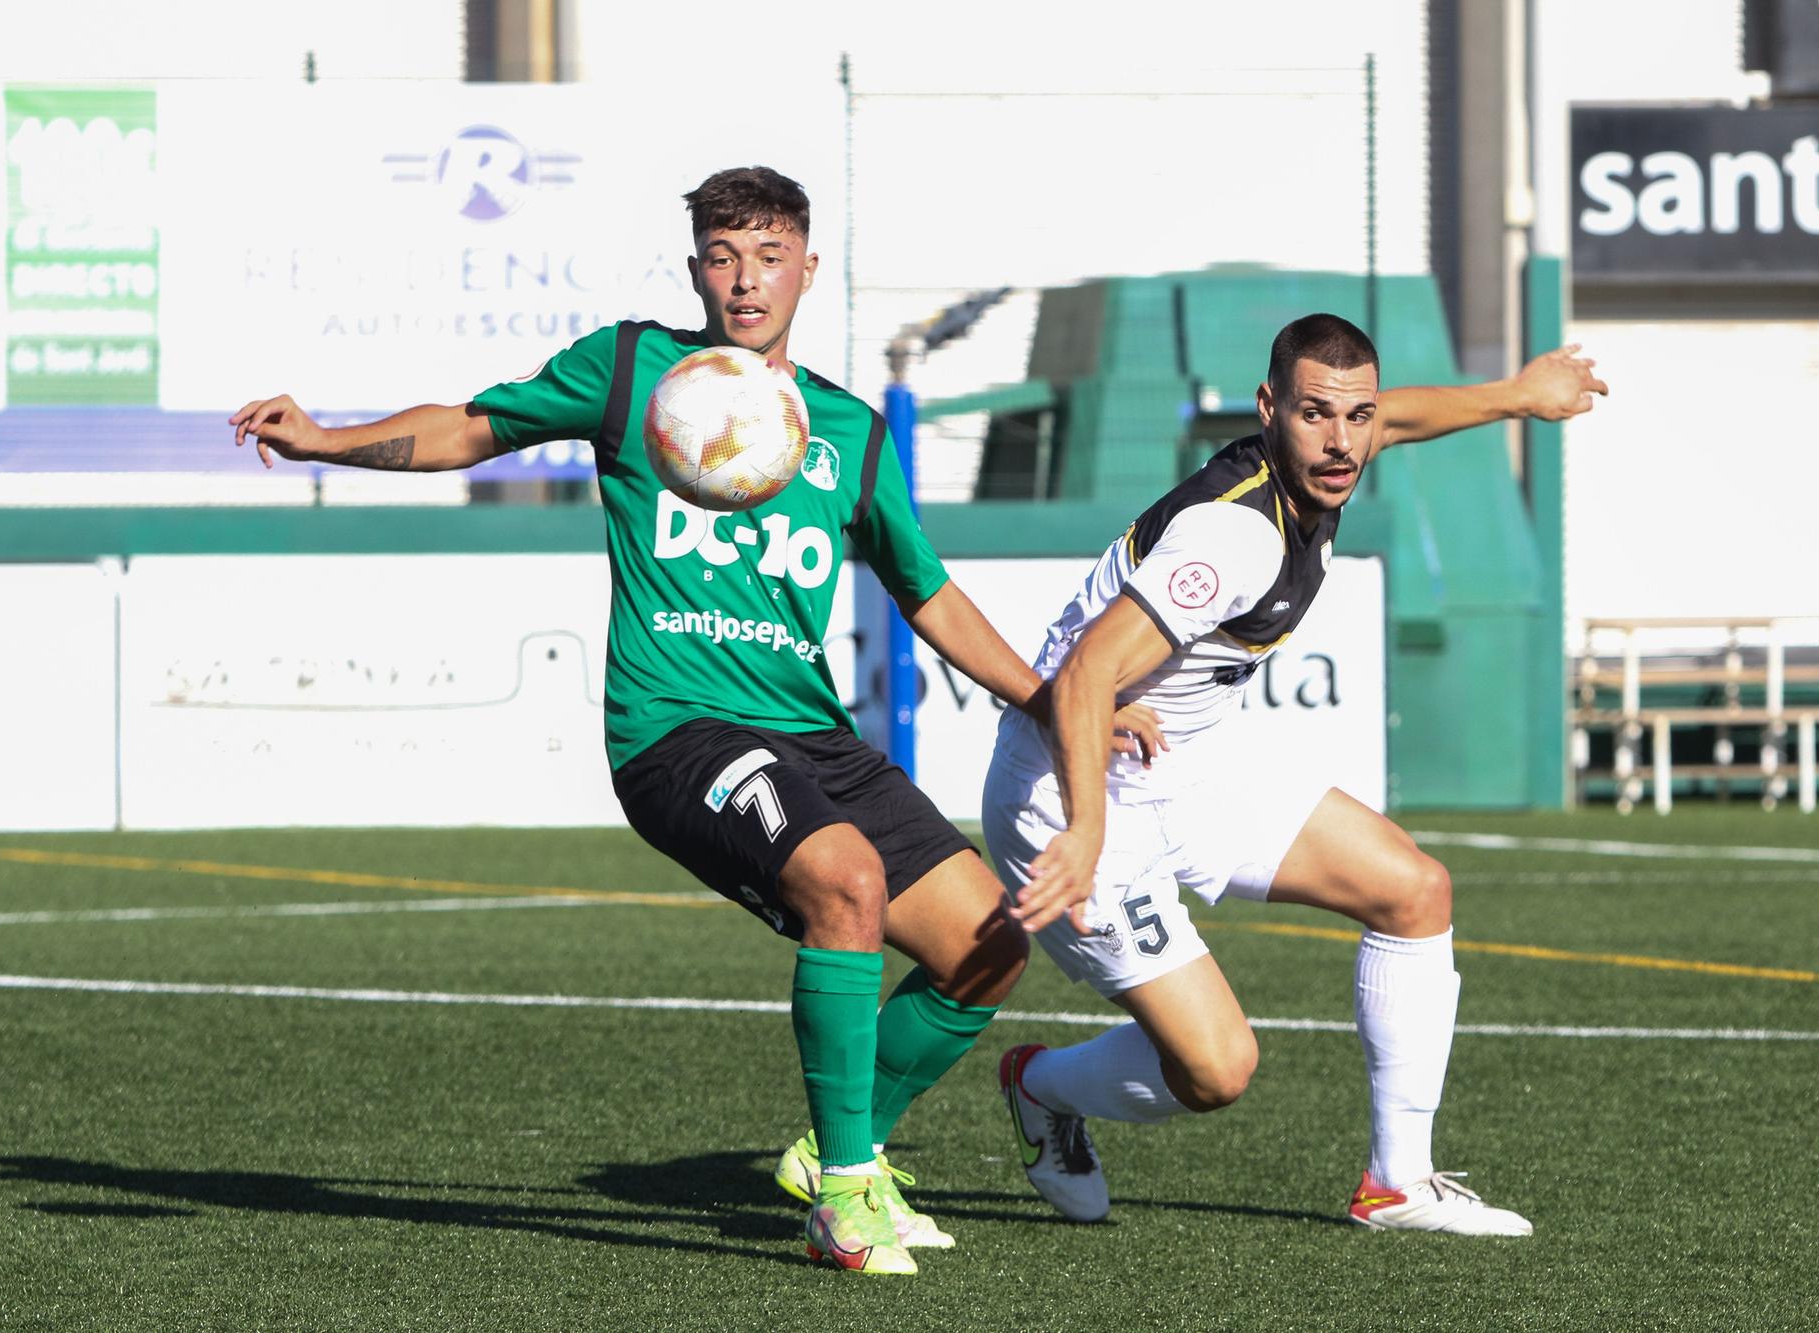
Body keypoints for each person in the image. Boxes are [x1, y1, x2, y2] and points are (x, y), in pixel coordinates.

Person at [230, 165, 1154, 1278]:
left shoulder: (851, 433)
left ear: (808, 268)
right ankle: (850, 1194)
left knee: (988, 948)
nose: (743, 278)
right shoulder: (629, 370)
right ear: (695, 270)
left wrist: (1057, 705)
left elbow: (932, 597)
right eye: (722, 256)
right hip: (676, 732)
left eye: (767, 255)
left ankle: (832, 1153)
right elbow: (474, 428)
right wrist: (328, 440)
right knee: (846, 881)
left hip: (808, 734)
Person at [982, 313, 1607, 1235]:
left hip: (1186, 763)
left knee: (1414, 890)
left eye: (1358, 416)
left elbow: (1403, 417)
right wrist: (1083, 829)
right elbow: (1082, 678)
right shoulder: (1232, 537)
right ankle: (1039, 1087)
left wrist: (1520, 393)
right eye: (1318, 415)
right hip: (1072, 792)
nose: (1345, 440)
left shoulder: (1334, 449)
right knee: (1216, 1071)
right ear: (1270, 407)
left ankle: (1399, 1183)